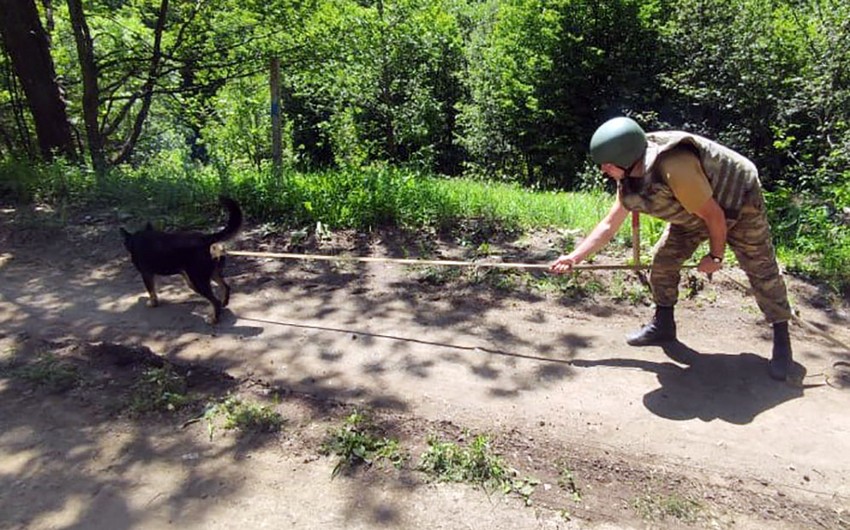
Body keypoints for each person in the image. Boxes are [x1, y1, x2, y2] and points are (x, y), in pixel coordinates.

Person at [549, 116, 794, 381]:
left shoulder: (675, 168)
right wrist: (574, 257)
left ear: (626, 158)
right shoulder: (630, 174)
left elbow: (715, 216)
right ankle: (664, 325)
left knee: (761, 269)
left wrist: (715, 256)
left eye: (607, 165)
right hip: (693, 211)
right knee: (662, 261)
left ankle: (782, 340)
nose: (603, 171)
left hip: (737, 202)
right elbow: (609, 225)